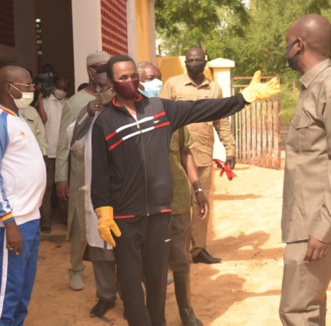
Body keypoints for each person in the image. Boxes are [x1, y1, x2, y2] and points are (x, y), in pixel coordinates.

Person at [91, 54, 280, 326]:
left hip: (159, 214)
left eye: (133, 75)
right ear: (111, 82)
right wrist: (102, 210)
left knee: (157, 283)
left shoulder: (160, 109)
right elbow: (100, 171)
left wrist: (245, 98)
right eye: (123, 78)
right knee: (131, 286)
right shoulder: (105, 122)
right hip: (124, 219)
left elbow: (204, 108)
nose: (130, 81)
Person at [279, 14, 331, 325]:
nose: (285, 50)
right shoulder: (313, 87)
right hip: (306, 220)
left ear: (299, 44)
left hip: (317, 223)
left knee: (297, 312)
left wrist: (325, 228)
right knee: (307, 309)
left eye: (287, 43)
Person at [137, 62, 204, 326]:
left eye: (159, 77)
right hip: (144, 203)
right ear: (137, 82)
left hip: (177, 198)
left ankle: (186, 310)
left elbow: (186, 152)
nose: (156, 82)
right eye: (150, 78)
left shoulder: (171, 112)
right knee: (149, 263)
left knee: (181, 258)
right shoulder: (128, 115)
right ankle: (156, 314)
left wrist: (197, 188)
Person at [0, 65, 47, 326]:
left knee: (22, 291)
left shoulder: (18, 117)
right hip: (14, 222)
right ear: (10, 88)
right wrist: (9, 222)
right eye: (28, 85)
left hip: (30, 217)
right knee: (8, 293)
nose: (32, 90)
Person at [159, 47, 235, 264]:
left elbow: (222, 120)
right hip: (175, 156)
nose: (193, 63)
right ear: (186, 62)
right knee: (176, 205)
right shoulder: (173, 84)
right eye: (190, 60)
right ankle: (176, 251)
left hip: (202, 154)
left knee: (201, 203)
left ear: (205, 62)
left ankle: (198, 249)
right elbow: (161, 115)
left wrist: (230, 148)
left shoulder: (214, 88)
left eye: (197, 60)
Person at [55, 50, 111, 291]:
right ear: (90, 71)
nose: (105, 72)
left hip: (109, 171)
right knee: (79, 223)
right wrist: (60, 178)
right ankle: (75, 268)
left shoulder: (113, 96)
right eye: (101, 67)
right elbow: (62, 144)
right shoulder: (75, 102)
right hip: (81, 171)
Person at [68, 64, 120, 318]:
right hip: (97, 195)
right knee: (99, 251)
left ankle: (131, 296)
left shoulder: (130, 110)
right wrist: (86, 115)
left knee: (127, 250)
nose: (99, 92)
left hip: (124, 195)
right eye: (96, 87)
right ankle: (106, 296)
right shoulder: (91, 113)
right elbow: (73, 143)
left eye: (104, 86)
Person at [37, 75, 70, 233]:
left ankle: (65, 218)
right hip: (49, 152)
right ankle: (46, 221)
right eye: (59, 87)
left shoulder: (69, 104)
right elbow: (43, 120)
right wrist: (39, 98)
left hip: (64, 152)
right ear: (54, 86)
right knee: (47, 188)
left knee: (64, 187)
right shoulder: (45, 102)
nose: (61, 91)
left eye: (64, 88)